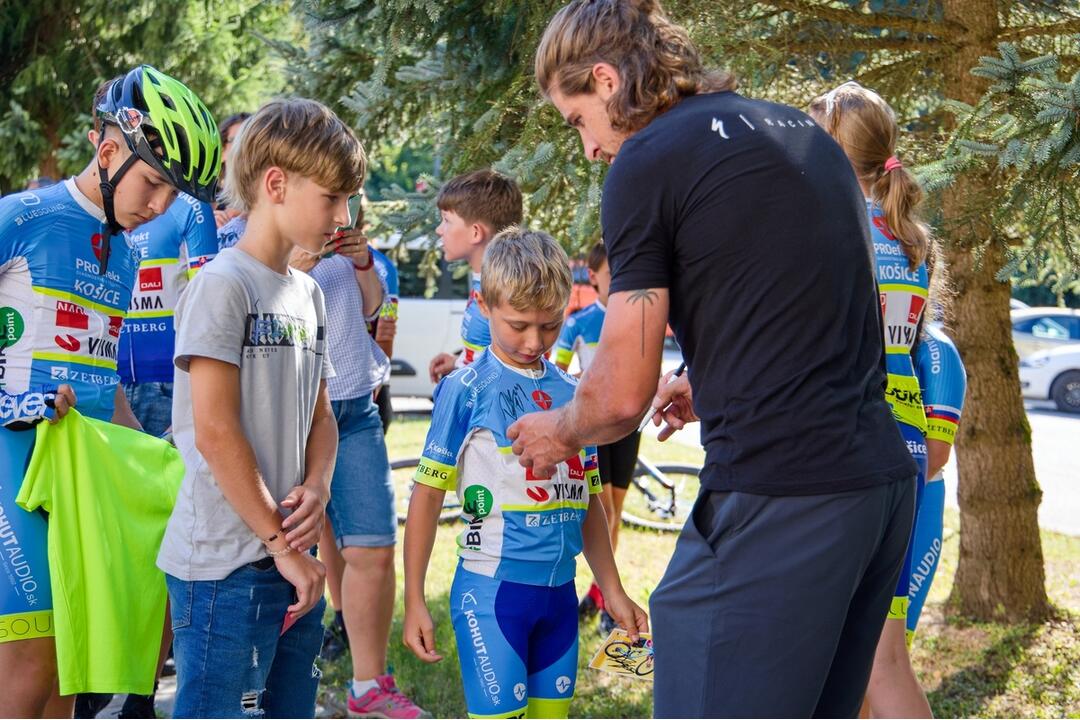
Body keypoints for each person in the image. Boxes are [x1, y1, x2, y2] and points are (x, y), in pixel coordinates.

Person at [512, 2, 920, 717]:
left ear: (606, 81)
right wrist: (712, 378)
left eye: (577, 120)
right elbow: (820, 299)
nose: (588, 149)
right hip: (878, 491)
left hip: (783, 497)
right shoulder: (799, 130)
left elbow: (615, 397)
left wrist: (560, 431)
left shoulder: (647, 160)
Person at [0, 64, 220, 718]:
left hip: (81, 476)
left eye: (172, 194)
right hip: (13, 464)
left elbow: (104, 382)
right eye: (153, 183)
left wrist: (158, 459)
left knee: (72, 667)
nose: (159, 206)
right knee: (30, 662)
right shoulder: (24, 216)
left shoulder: (123, 255)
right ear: (107, 151)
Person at [156, 97, 362, 718]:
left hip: (292, 558)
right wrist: (280, 544)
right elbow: (216, 432)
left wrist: (320, 487)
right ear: (276, 183)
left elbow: (321, 415)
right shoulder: (223, 285)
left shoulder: (308, 293)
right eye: (332, 198)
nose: (344, 216)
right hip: (226, 564)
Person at [403, 227, 648, 719]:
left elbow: (591, 504)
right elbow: (426, 495)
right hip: (492, 596)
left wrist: (613, 587)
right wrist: (413, 599)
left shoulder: (578, 394)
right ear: (484, 305)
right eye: (518, 325)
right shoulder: (466, 388)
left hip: (560, 595)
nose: (534, 341)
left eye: (550, 325)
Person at [809, 81, 935, 718]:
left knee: (855, 662)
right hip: (904, 445)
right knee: (878, 660)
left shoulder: (830, 223)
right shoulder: (910, 234)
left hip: (851, 444)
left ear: (832, 145)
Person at [554, 240, 640, 633]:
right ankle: (604, 600)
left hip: (627, 425)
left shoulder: (634, 317)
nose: (619, 281)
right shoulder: (579, 321)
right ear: (593, 277)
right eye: (611, 274)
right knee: (601, 512)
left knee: (617, 515)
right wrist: (589, 386)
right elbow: (557, 373)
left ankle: (601, 596)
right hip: (594, 426)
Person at [427, 170, 523, 383]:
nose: (439, 230)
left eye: (446, 220)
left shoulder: (503, 291)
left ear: (476, 233)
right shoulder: (485, 280)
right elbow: (487, 354)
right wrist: (458, 361)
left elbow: (513, 370)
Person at [213, 112, 251, 228]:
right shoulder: (204, 199)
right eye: (237, 140)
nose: (244, 148)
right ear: (222, 151)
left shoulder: (266, 202)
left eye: (250, 140)